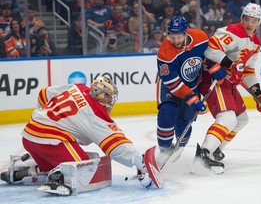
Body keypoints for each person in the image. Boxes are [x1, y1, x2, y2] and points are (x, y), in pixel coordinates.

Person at [0, 75, 153, 195]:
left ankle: (24, 170)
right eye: (108, 96)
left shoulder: (77, 88)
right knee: (83, 167)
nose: (110, 100)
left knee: (61, 158)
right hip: (50, 140)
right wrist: (139, 161)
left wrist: (46, 117)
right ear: (99, 94)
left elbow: (43, 94)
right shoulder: (95, 114)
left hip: (29, 135)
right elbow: (115, 144)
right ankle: (58, 178)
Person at [195, 3, 261, 174]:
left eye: (253, 21)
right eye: (246, 19)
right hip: (215, 78)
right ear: (241, 19)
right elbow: (210, 50)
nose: (249, 24)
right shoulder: (233, 31)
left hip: (229, 82)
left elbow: (248, 71)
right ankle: (204, 153)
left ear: (258, 22)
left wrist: (259, 96)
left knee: (242, 119)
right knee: (228, 117)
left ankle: (215, 150)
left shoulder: (256, 44)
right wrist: (231, 64)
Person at [155, 16, 208, 168]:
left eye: (179, 36)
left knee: (185, 122)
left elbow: (209, 56)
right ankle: (164, 150)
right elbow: (172, 82)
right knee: (167, 112)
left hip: (193, 86)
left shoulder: (201, 38)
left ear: (186, 33)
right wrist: (192, 98)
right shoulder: (165, 51)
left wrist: (214, 67)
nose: (176, 40)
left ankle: (179, 146)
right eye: (172, 36)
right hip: (170, 87)